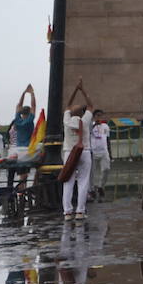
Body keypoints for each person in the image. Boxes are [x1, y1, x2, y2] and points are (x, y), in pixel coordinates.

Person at [63, 79, 94, 221]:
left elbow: (68, 105)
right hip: (85, 151)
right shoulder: (86, 121)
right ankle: (80, 211)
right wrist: (83, 90)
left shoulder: (67, 121)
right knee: (83, 182)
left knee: (68, 182)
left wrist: (75, 90)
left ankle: (67, 212)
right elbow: (91, 105)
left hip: (69, 152)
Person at [89, 111, 112, 196]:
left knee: (106, 169)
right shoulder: (90, 125)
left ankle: (101, 186)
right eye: (98, 116)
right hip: (93, 152)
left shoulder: (105, 126)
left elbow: (108, 140)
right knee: (91, 172)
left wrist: (110, 152)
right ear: (94, 117)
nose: (99, 118)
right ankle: (91, 189)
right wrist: (95, 125)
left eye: (101, 116)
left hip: (104, 151)